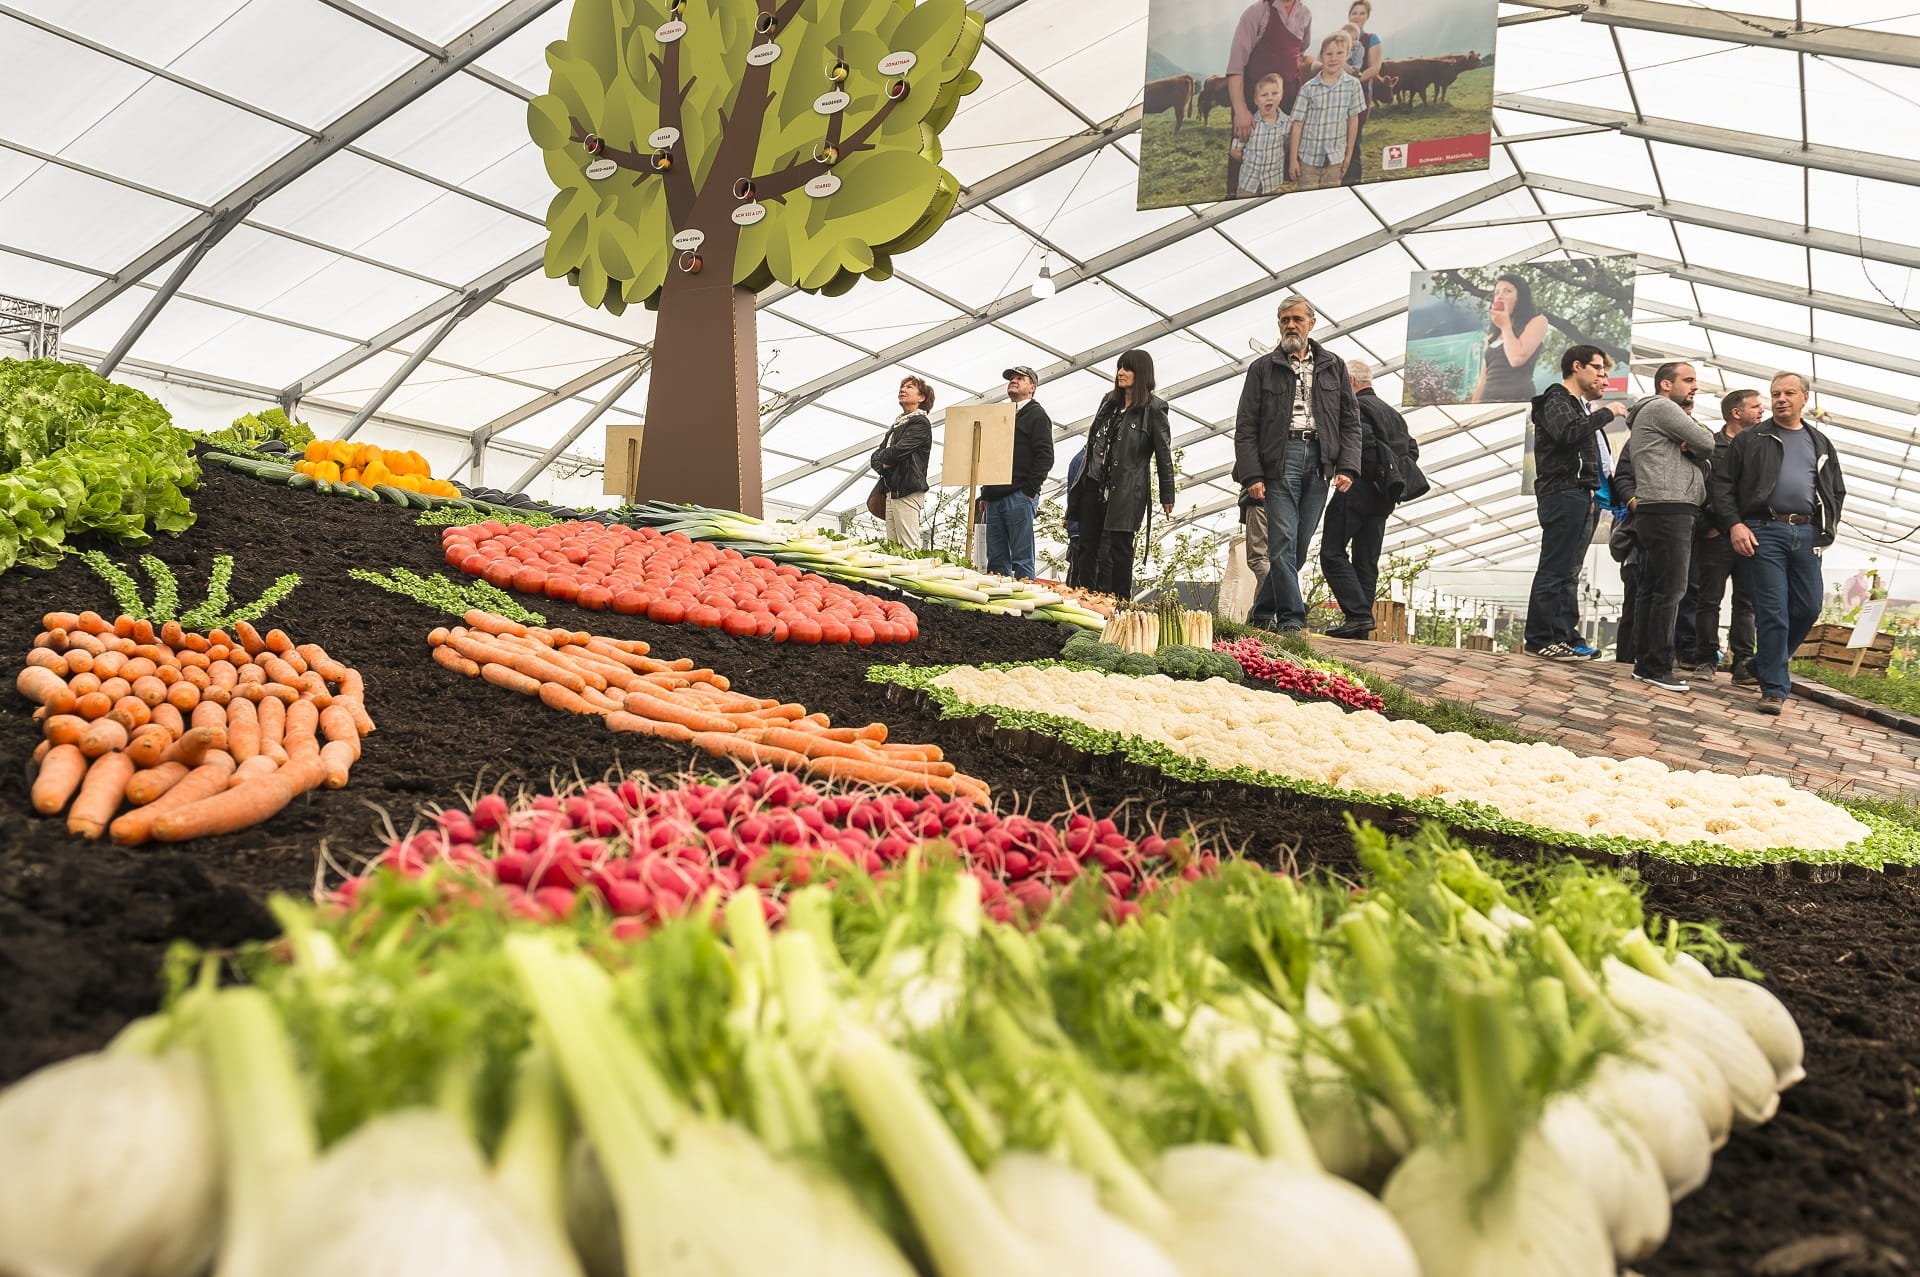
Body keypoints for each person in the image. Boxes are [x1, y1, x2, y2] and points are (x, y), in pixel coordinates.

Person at [1711, 371, 1847, 716]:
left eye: (1788, 393)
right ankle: (1774, 688)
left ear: (1805, 398)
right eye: (1775, 394)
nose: (1781, 399)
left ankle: (1762, 663)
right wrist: (1735, 525)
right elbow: (1722, 485)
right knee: (1773, 612)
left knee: (1808, 608)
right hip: (1762, 530)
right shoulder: (1752, 438)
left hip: (1805, 534)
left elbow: (1836, 490)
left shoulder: (1819, 442)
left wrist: (1825, 527)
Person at [1234, 295, 1363, 633]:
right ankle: (1292, 619)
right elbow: (1246, 426)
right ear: (1279, 325)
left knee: (1298, 547)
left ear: (1311, 323)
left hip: (1321, 461)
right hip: (1280, 460)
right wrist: (1252, 475)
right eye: (1284, 320)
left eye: (1296, 319)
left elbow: (1350, 421)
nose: (1290, 325)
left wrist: (1348, 466)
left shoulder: (1333, 365)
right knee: (1282, 542)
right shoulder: (1262, 368)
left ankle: (1262, 612)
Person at [1523, 345, 1624, 659]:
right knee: (1555, 568)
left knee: (1568, 571)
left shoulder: (1579, 406)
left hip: (1581, 494)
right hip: (1563, 492)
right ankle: (1539, 639)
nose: (1602, 377)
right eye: (1598, 369)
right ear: (1577, 366)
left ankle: (1564, 636)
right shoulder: (1556, 399)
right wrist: (1609, 413)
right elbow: (1567, 433)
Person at [1623, 362, 1715, 692]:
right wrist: (1695, 443)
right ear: (1665, 384)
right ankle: (1657, 666)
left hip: (1658, 508)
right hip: (1669, 508)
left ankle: (1646, 662)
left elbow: (1700, 446)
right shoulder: (1662, 407)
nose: (1695, 386)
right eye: (1688, 380)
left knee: (1653, 588)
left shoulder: (1653, 413)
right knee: (1671, 589)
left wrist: (1692, 445)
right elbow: (1707, 442)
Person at [1319, 359, 1416, 639]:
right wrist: (1389, 479)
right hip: (1385, 497)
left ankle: (1358, 614)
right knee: (1366, 559)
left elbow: (1365, 443)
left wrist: (1373, 474)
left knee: (1332, 552)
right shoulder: (1393, 414)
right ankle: (1360, 624)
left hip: (1358, 487)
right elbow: (1411, 450)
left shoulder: (1357, 407)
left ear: (1350, 381)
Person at [1071, 349, 1175, 598]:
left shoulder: (1155, 408)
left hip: (1127, 489)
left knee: (1120, 549)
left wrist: (1167, 493)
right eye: (1119, 367)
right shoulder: (1109, 401)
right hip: (1094, 483)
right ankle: (1086, 597)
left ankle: (1120, 603)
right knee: (1087, 545)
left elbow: (1163, 454)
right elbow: (1095, 441)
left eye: (1127, 368)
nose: (1121, 373)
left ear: (1141, 374)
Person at [1690, 389, 1761, 683]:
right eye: (1755, 407)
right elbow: (1702, 488)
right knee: (1708, 600)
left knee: (1746, 603)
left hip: (1752, 536)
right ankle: (1706, 659)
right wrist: (1714, 524)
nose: (1761, 412)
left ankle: (1742, 662)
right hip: (1716, 535)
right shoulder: (1711, 446)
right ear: (1736, 412)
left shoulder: (1763, 446)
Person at [980, 365, 1055, 580]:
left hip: (1018, 494)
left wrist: (1030, 490)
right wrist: (985, 492)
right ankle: (1000, 610)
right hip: (995, 496)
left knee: (1021, 557)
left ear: (1032, 387)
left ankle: (1022, 608)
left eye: (1020, 378)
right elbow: (992, 455)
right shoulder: (1002, 416)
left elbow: (1045, 456)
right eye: (1011, 378)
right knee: (995, 559)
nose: (1013, 380)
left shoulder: (1036, 415)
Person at [1288, 34, 1364, 191]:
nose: (1333, 58)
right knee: (1306, 199)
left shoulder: (1353, 86)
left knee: (1330, 196)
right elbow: (1297, 125)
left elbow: (1353, 120)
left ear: (1348, 55)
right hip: (1309, 159)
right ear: (1321, 56)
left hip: (1336, 159)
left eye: (1339, 53)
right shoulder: (1308, 89)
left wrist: (1348, 155)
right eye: (1329, 54)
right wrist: (1293, 160)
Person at [868, 376, 933, 548]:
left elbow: (897, 452)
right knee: (893, 546)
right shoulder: (897, 425)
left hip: (907, 488)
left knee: (907, 545)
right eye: (902, 387)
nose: (903, 390)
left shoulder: (920, 423)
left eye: (909, 387)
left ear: (921, 398)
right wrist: (884, 462)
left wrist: (886, 459)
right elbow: (876, 457)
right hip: (892, 489)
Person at [1472, 274, 1550, 403]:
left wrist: (1505, 326)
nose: (1500, 296)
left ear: (1520, 297)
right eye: (1496, 293)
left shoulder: (1538, 321)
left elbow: (1516, 359)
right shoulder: (1492, 337)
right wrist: (1472, 407)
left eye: (1507, 291)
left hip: (1517, 401)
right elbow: (1483, 380)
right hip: (1488, 402)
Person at [1341, 1, 1382, 185]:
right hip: (1335, 96)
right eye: (1354, 13)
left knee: (1353, 140)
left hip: (1359, 94)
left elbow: (1374, 68)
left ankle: (1352, 182)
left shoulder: (1371, 39)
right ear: (1349, 15)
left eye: (1361, 13)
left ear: (1367, 17)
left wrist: (1354, 82)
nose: (1357, 16)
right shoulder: (1339, 37)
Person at [1234, 74, 1292, 196]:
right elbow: (1235, 151)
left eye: (1275, 93)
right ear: (1256, 100)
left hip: (1272, 183)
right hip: (1248, 183)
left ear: (1281, 95)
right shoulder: (1248, 124)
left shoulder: (1287, 123)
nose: (1269, 98)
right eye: (1264, 95)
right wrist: (1249, 161)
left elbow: (1287, 145)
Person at [1062, 445, 1088, 586]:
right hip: (1082, 529)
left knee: (1077, 574)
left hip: (1077, 528)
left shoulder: (1079, 459)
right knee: (1079, 579)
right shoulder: (1085, 460)